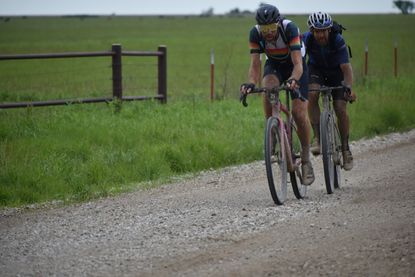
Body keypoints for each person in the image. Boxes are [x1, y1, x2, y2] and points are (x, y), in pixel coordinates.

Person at [240, 4, 314, 185]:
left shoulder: (290, 28)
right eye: (264, 29)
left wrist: (293, 80)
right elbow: (255, 64)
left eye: (271, 28)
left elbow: (298, 64)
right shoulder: (255, 33)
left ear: (278, 23)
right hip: (274, 65)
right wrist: (251, 83)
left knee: (298, 113)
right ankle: (272, 129)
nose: (268, 33)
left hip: (295, 66)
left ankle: (305, 159)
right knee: (267, 88)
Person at [302, 12, 356, 171]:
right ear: (312, 30)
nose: (320, 35)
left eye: (324, 30)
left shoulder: (337, 40)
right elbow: (300, 58)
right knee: (312, 95)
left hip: (336, 71)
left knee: (340, 108)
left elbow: (346, 68)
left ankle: (345, 148)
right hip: (316, 69)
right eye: (317, 31)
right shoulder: (307, 38)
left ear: (329, 29)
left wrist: (348, 88)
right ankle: (318, 138)